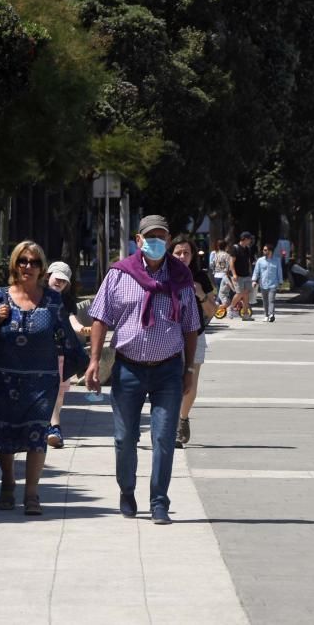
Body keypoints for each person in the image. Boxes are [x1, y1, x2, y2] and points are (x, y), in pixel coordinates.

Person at [85, 215, 200, 524]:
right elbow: (100, 317)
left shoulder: (181, 277)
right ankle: (127, 490)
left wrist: (189, 368)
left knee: (164, 438)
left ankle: (159, 501)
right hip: (128, 369)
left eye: (161, 236)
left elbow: (190, 326)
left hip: (168, 371)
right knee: (125, 439)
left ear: (169, 239)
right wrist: (95, 360)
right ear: (138, 240)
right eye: (150, 237)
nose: (155, 242)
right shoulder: (120, 275)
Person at [0, 242, 87, 515]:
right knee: (4, 434)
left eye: (35, 262)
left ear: (42, 267)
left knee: (37, 435)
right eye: (23, 261)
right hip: (5, 380)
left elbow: (65, 334)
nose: (28, 266)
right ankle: (7, 481)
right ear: (14, 264)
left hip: (42, 381)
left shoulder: (52, 299)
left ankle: (31, 493)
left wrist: (85, 364)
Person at [169, 235, 214, 449]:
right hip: (168, 336)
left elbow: (213, 311)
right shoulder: (164, 275)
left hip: (195, 335)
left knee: (191, 383)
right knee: (170, 382)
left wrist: (201, 295)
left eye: (186, 252)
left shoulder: (200, 277)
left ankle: (182, 420)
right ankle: (169, 424)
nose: (182, 256)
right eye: (178, 252)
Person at [44, 261, 92, 449]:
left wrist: (84, 329)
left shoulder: (67, 301)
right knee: (52, 389)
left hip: (61, 350)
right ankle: (54, 427)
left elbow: (74, 322)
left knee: (60, 393)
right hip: (39, 350)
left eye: (64, 281)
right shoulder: (37, 295)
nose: (60, 283)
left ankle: (52, 426)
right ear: (49, 275)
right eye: (58, 278)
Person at [252, 243, 283, 322]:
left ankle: (271, 314)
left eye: (265, 250)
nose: (263, 251)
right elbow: (256, 271)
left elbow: (279, 271)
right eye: (263, 250)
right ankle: (266, 315)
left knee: (271, 300)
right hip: (263, 284)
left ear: (270, 251)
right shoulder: (260, 260)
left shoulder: (277, 260)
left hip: (273, 284)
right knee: (265, 301)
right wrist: (254, 280)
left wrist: (280, 282)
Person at [228, 232, 255, 320]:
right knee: (239, 293)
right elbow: (231, 262)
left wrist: (251, 273)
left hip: (246, 275)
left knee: (246, 294)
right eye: (249, 239)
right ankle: (231, 308)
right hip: (238, 275)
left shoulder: (247, 249)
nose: (250, 241)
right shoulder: (235, 248)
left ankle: (246, 314)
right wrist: (234, 274)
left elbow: (248, 262)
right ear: (245, 239)